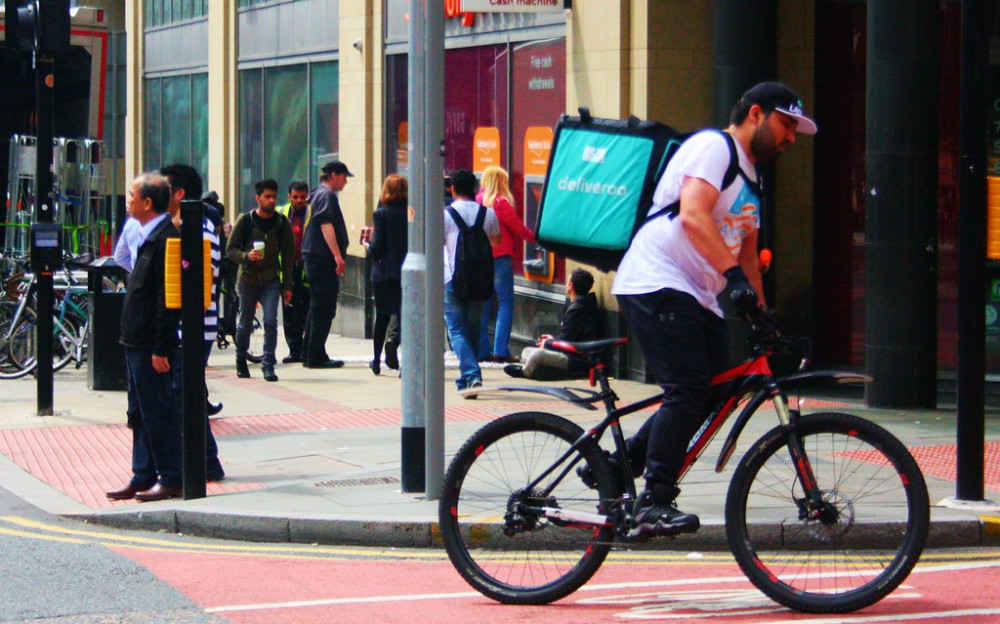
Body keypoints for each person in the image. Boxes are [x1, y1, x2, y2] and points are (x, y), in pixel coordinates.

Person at [607, 81, 816, 539]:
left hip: (698, 292)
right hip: (657, 278)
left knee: (716, 390)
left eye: (796, 130)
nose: (791, 137)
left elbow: (746, 254)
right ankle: (654, 500)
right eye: (786, 124)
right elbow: (693, 215)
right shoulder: (712, 146)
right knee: (687, 388)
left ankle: (613, 466)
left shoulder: (754, 178)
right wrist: (737, 284)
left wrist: (764, 317)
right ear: (756, 114)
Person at [106, 173, 185, 502]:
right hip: (134, 339)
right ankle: (143, 474)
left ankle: (172, 476)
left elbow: (168, 300)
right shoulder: (144, 234)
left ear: (148, 203)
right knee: (138, 411)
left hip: (150, 343)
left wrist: (161, 348)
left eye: (132, 196)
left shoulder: (167, 239)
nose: (128, 201)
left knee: (157, 410)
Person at [226, 178, 295, 382]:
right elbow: (230, 250)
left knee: (271, 322)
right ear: (258, 198)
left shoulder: (282, 223)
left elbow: (289, 255)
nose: (272, 200)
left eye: (274, 196)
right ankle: (240, 359)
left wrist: (288, 284)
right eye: (267, 196)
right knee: (245, 323)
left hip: (271, 280)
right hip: (247, 280)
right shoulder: (245, 220)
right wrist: (247, 256)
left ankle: (268, 364)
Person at [443, 169, 501, 395]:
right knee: (474, 330)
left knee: (456, 331)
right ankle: (469, 376)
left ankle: (471, 374)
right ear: (475, 189)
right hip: (480, 279)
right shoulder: (488, 213)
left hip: (452, 279)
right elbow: (497, 241)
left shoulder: (446, 214)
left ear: (453, 189)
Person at [475, 165, 535, 363]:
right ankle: (500, 349)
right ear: (500, 182)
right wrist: (537, 238)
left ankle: (482, 349)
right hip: (500, 257)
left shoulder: (477, 200)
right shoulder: (500, 203)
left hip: (482, 259)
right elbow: (517, 227)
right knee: (505, 303)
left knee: (484, 303)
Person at [503, 268, 602, 381]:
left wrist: (548, 343)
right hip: (571, 355)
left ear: (571, 285)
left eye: (567, 282)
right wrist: (551, 340)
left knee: (536, 355)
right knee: (527, 352)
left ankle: (526, 372)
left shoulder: (578, 309)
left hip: (576, 361)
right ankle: (537, 369)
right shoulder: (579, 304)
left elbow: (566, 343)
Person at [301, 161, 352, 369]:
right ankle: (315, 355)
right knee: (323, 308)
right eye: (343, 177)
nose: (346, 181)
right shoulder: (326, 195)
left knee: (317, 308)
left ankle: (311, 352)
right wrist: (337, 256)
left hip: (316, 259)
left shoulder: (317, 194)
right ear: (334, 175)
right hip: (322, 260)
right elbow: (325, 225)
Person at [364, 174, 408, 375]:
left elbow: (378, 245)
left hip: (383, 273)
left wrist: (368, 247)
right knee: (404, 316)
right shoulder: (411, 213)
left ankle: (376, 360)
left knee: (381, 317)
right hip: (406, 272)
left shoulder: (380, 214)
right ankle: (403, 358)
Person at [276, 181, 312, 364]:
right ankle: (294, 351)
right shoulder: (282, 213)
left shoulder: (312, 212)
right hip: (287, 270)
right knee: (289, 312)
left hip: (306, 268)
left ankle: (307, 349)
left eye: (303, 196)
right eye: (295, 197)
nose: (299, 200)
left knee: (306, 310)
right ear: (289, 196)